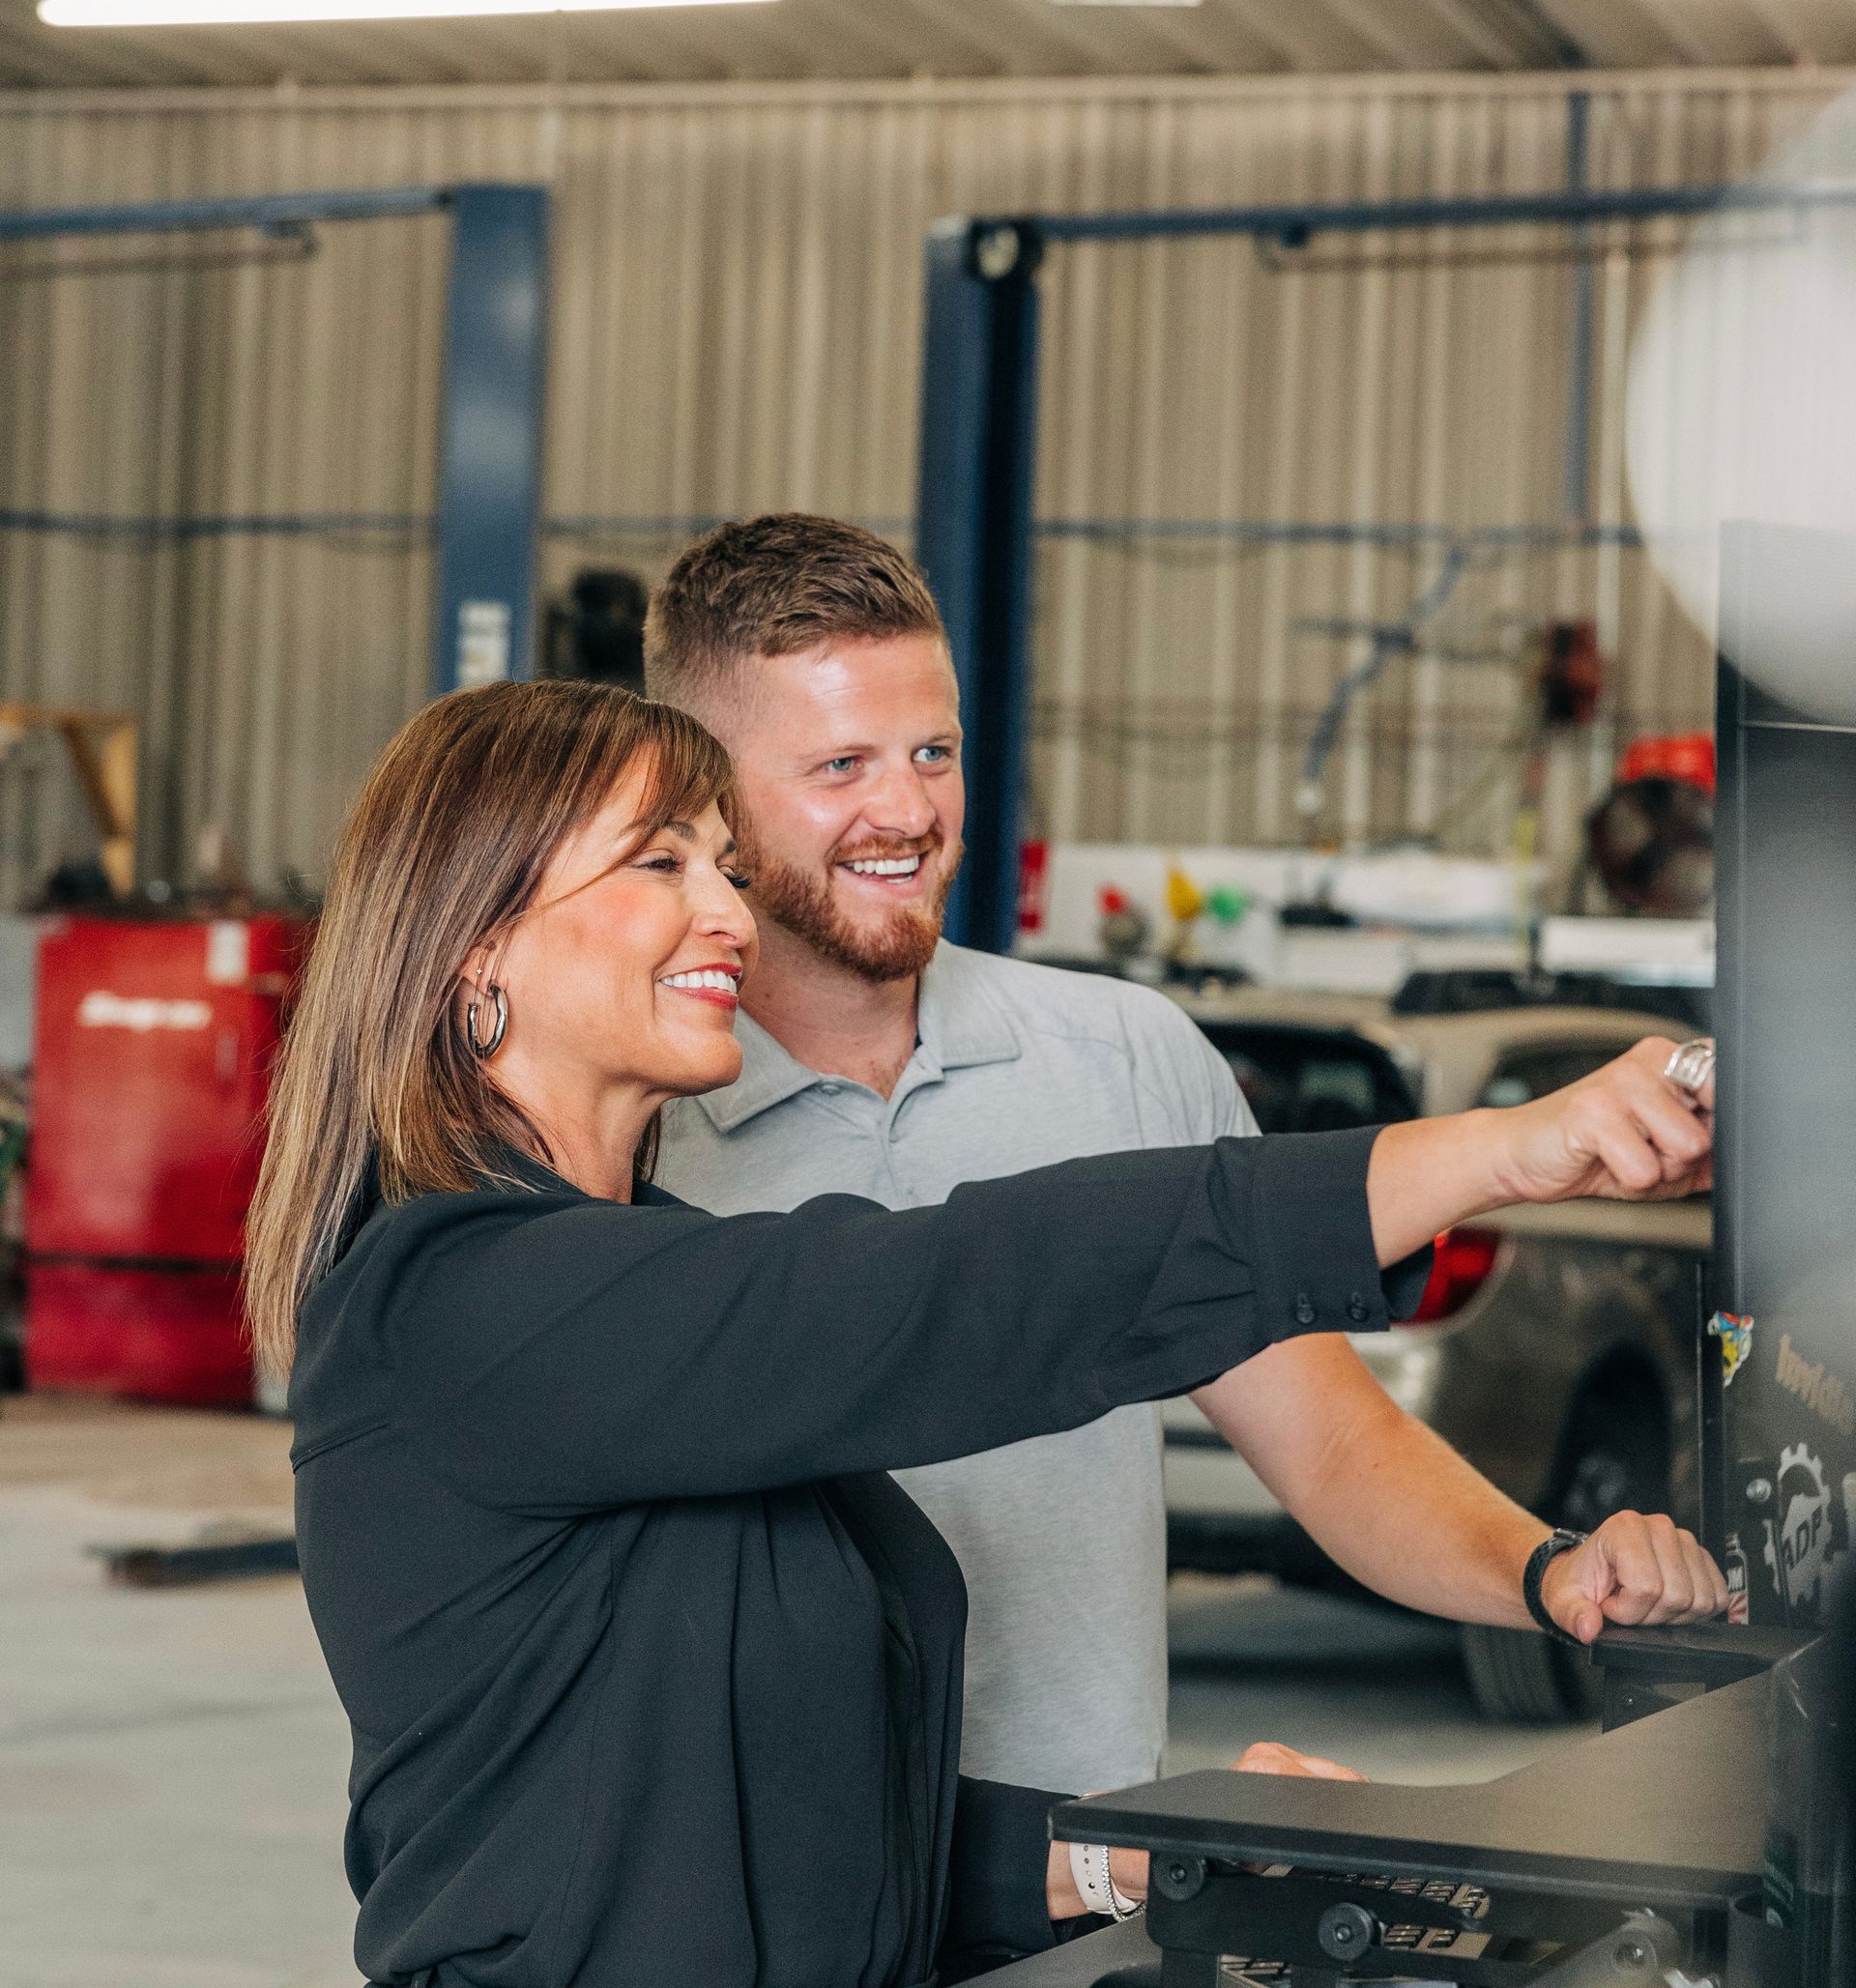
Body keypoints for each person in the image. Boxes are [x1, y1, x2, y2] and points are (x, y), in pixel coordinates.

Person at [248, 677, 1716, 1988]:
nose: (729, 915)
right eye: (660, 862)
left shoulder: (656, 1283)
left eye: (724, 864)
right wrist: (1494, 1152)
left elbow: (796, 1830)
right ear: (477, 950)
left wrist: (1141, 1855)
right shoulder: (453, 1303)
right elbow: (960, 1291)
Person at [649, 513, 1728, 1793]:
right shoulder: (636, 1119)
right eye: (841, 765)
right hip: (759, 1881)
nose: (909, 809)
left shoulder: (1125, 1058)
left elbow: (1328, 1443)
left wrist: (1548, 1573)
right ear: (707, 800)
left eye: (934, 751)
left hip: (1083, 1868)